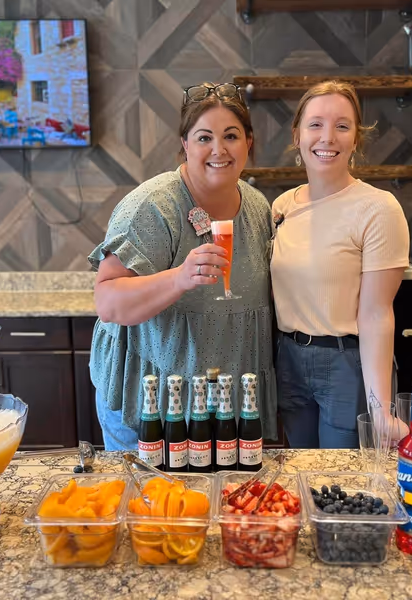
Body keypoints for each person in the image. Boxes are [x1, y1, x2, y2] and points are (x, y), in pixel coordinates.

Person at [88, 83, 276, 450]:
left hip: (223, 407)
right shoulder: (152, 207)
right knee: (150, 504)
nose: (219, 149)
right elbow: (108, 303)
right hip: (148, 405)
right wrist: (179, 278)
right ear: (185, 144)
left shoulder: (258, 208)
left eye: (231, 136)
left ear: (248, 143)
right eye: (204, 137)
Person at [271, 81, 410, 449]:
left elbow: (378, 313)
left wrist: (381, 409)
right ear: (297, 135)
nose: (327, 137)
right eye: (315, 124)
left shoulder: (378, 208)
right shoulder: (281, 206)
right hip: (289, 360)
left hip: (347, 364)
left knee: (344, 485)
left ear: (356, 139)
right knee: (301, 475)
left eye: (342, 126)